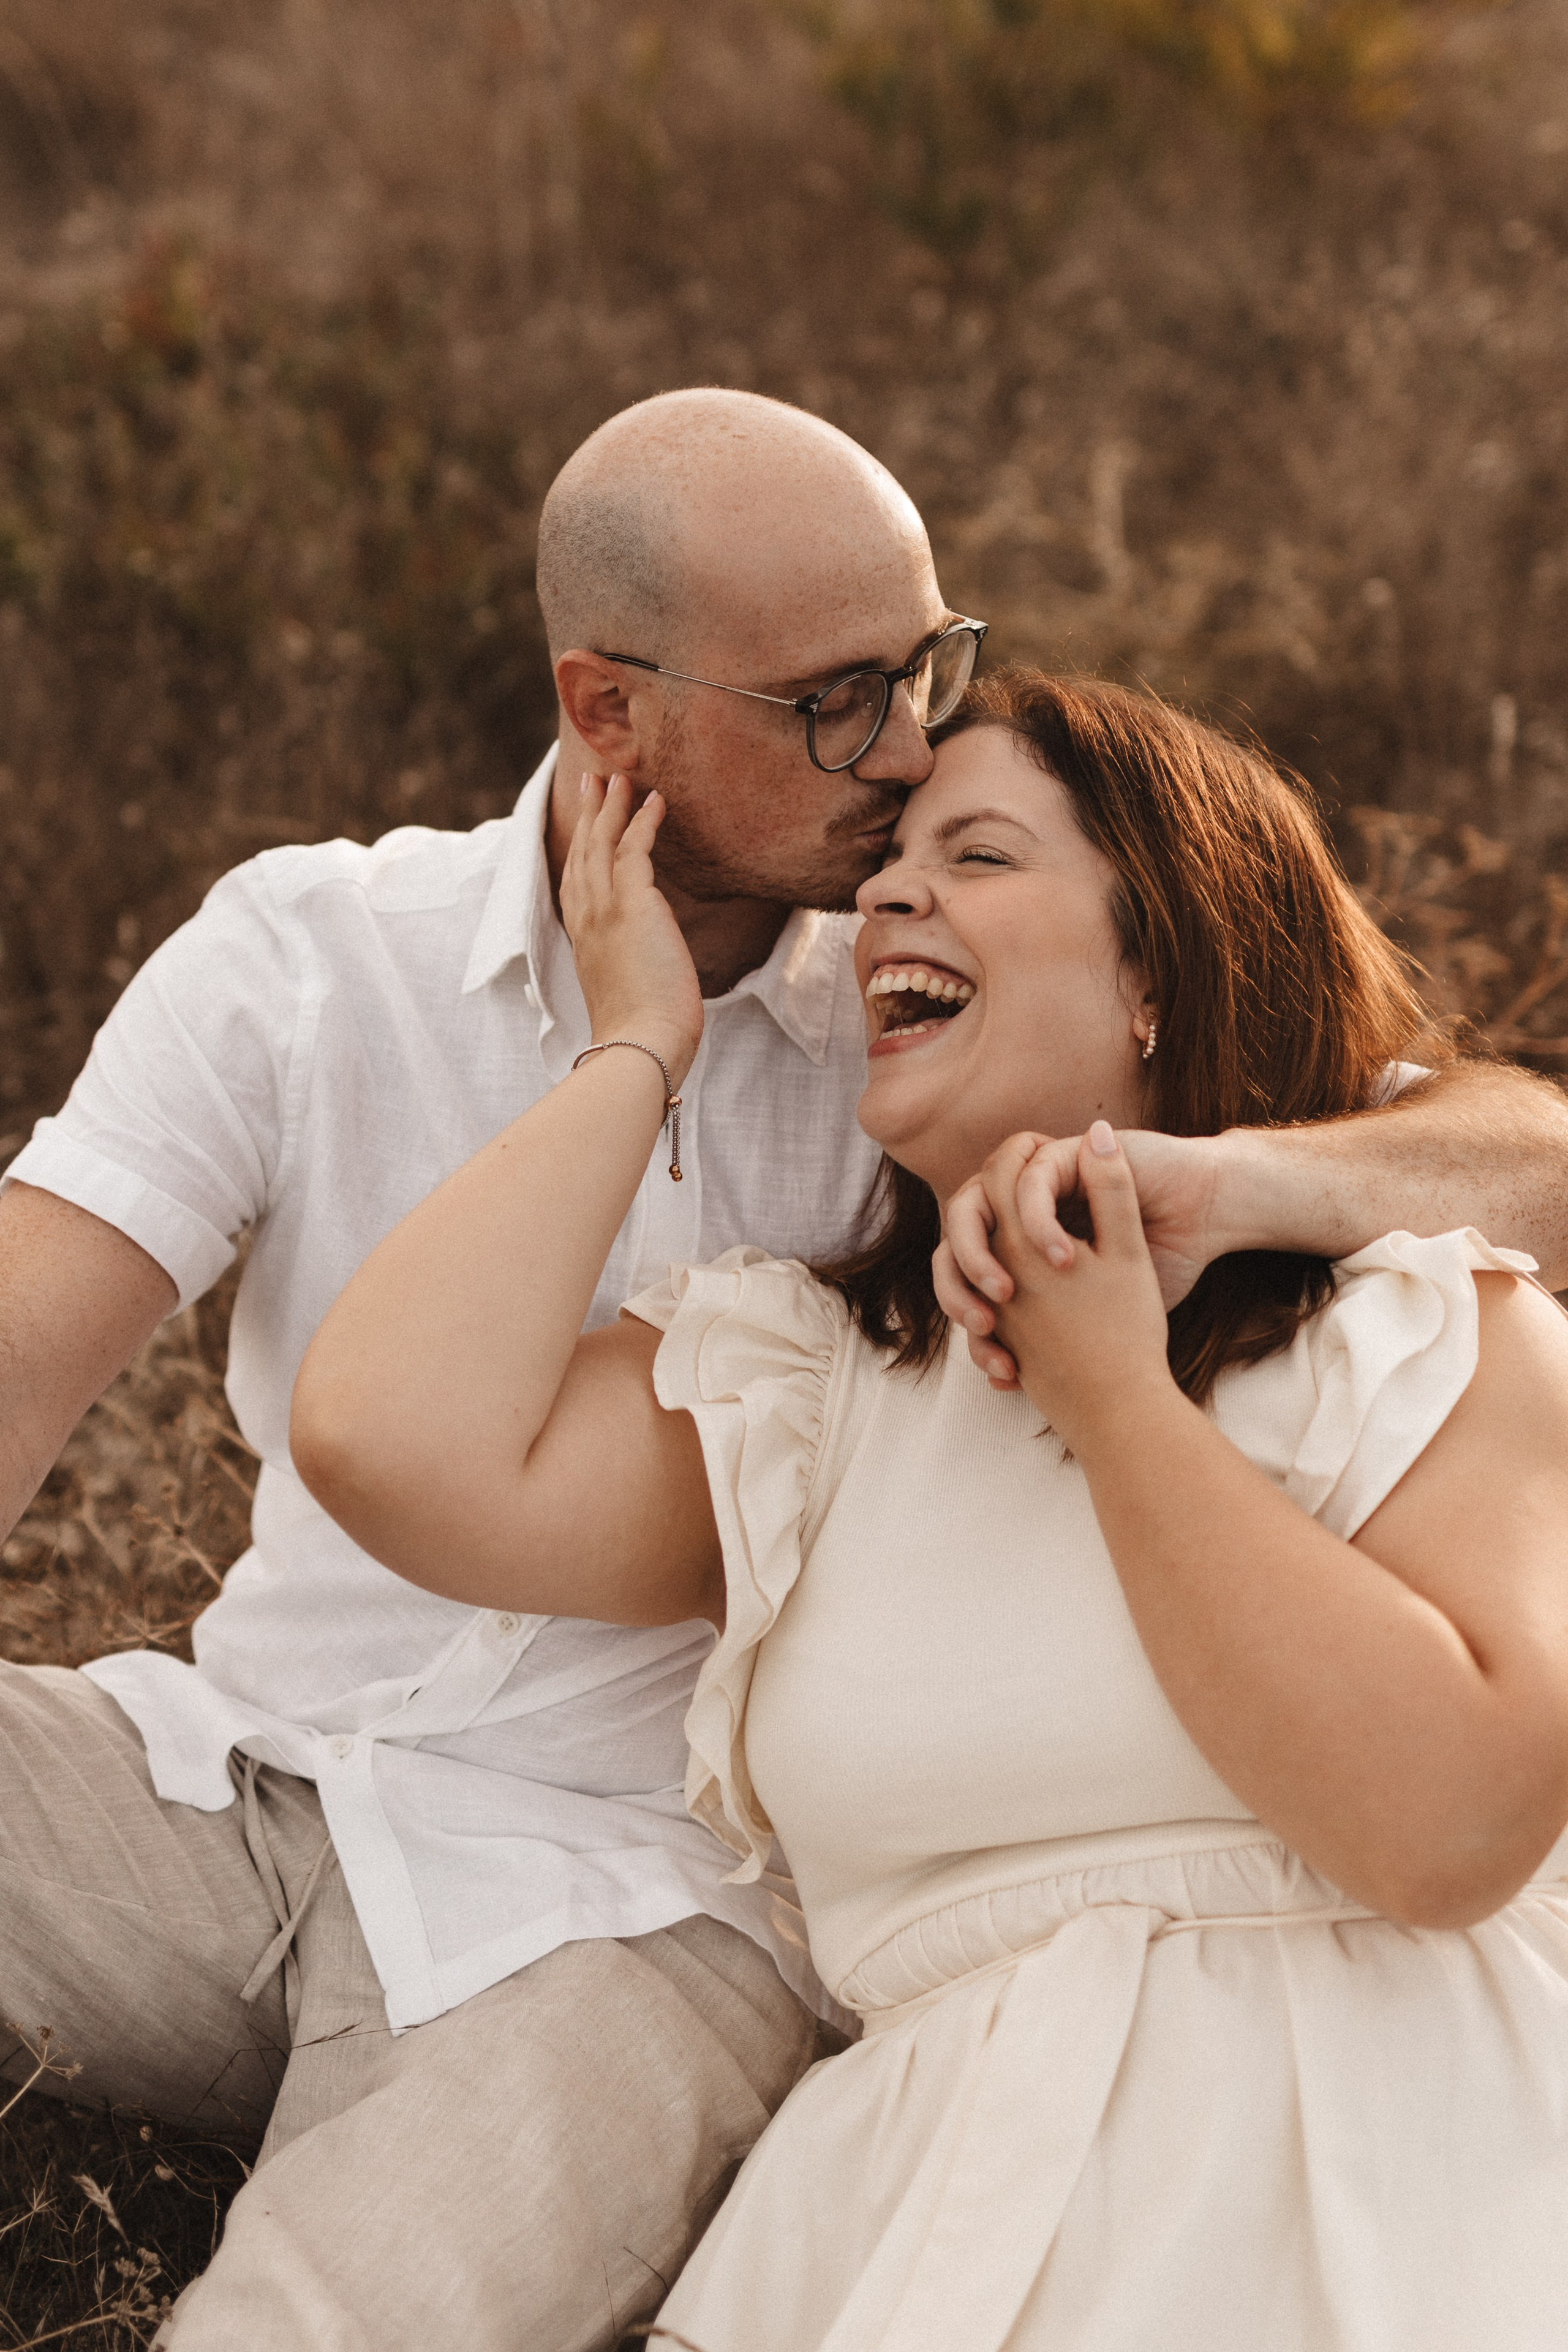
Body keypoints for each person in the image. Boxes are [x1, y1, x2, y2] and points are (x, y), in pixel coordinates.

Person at [0, 389, 1564, 2351]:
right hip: (230, 1778)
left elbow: (1514, 1152)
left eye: (926, 669)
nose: (903, 759)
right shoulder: (325, 956)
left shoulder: (952, 1032)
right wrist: (631, 1046)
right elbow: (243, 1410)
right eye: (835, 701)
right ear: (610, 711)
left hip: (634, 1907)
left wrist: (1224, 1182)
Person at [292, 671, 1568, 2352]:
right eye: (892, 858)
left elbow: (1450, 1825)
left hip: (1353, 2212)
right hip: (902, 2248)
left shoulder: (1420, 1329)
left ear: (1156, 976)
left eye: (977, 854)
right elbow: (389, 1439)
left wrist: (1112, 1387)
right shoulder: (816, 1394)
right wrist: (638, 1046)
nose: (890, 890)